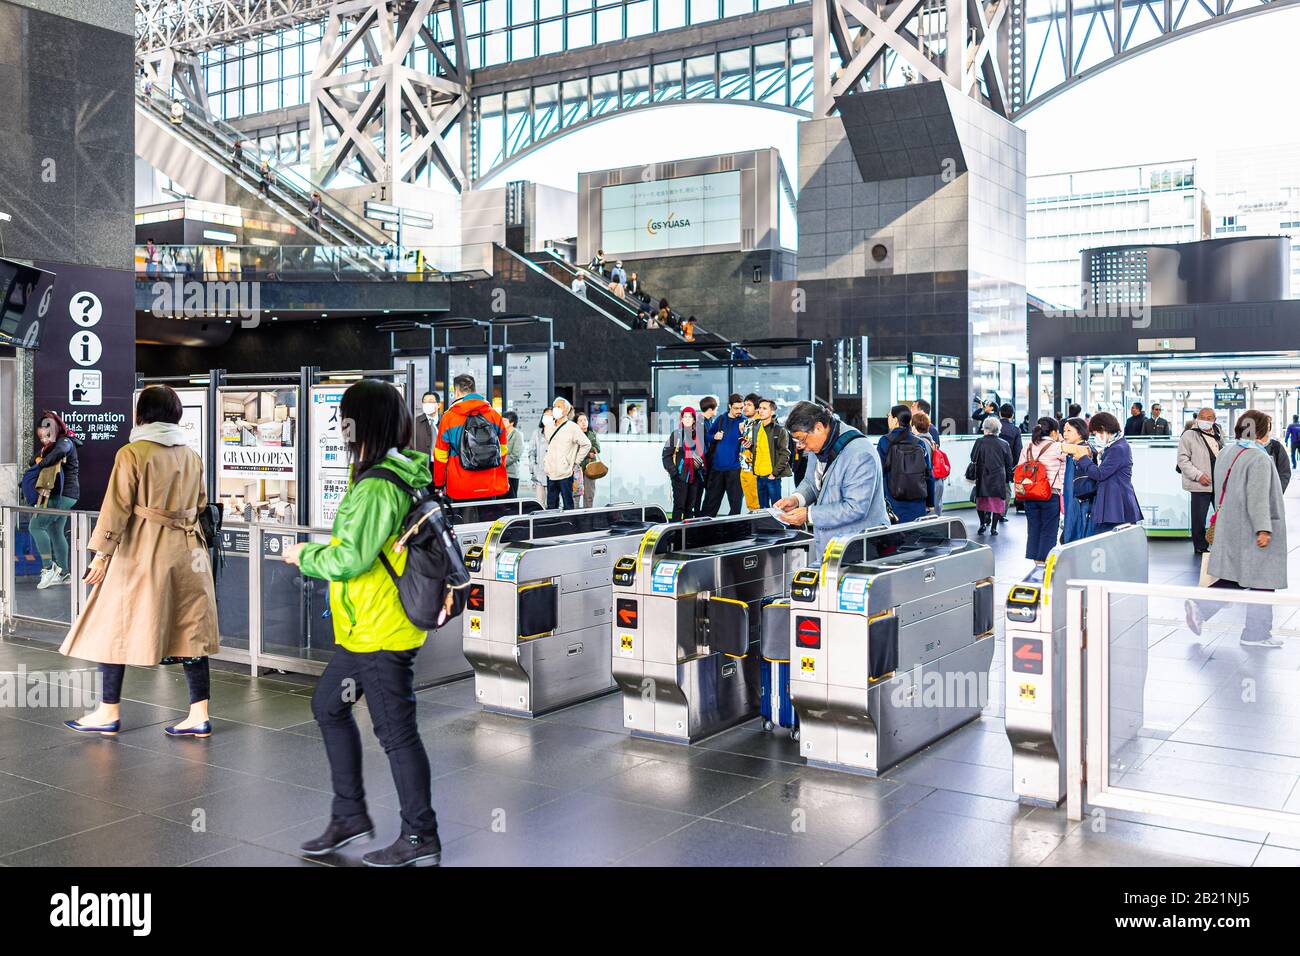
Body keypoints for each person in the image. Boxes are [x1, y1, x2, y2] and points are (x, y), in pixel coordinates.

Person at [283, 380, 446, 866]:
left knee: (395, 733)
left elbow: (352, 557)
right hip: (368, 628)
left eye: (346, 418)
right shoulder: (396, 472)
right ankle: (350, 814)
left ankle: (420, 835)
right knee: (329, 706)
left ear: (364, 425)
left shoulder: (376, 486)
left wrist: (304, 555)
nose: (340, 426)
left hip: (380, 630)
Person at [59, 385, 219, 738]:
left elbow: (116, 507)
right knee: (191, 630)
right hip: (190, 551)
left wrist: (102, 555)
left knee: (113, 623)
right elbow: (203, 503)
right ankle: (198, 715)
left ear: (141, 413)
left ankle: (108, 711)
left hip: (143, 551)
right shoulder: (191, 455)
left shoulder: (133, 453)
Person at [1185, 409, 1287, 649]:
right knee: (1262, 578)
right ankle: (1256, 633)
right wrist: (1264, 528)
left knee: (1236, 575)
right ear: (1261, 431)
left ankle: (1200, 607)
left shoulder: (1228, 451)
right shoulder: (1259, 458)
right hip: (1254, 526)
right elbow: (1258, 497)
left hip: (1231, 523)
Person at [772, 402, 889, 564]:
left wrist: (808, 514)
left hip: (859, 546)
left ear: (819, 427)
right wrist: (796, 499)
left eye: (802, 440)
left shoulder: (859, 453)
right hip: (832, 544)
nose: (801, 446)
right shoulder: (820, 444)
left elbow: (855, 508)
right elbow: (812, 483)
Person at [1061, 411, 1142, 533]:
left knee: (1108, 541)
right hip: (1114, 501)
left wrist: (1082, 458)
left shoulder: (1117, 449)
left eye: (1097, 433)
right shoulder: (1116, 445)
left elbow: (1100, 474)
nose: (1096, 436)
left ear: (1103, 429)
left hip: (1116, 503)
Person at [432, 374, 508, 501]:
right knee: (489, 520)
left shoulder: (449, 417)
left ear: (456, 392)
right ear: (474, 390)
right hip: (489, 485)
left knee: (462, 520)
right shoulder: (494, 415)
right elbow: (503, 450)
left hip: (459, 486)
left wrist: (439, 484)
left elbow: (440, 456)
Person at [28, 411, 81, 589]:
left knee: (35, 526)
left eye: (47, 435)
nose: (44, 440)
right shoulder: (51, 446)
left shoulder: (65, 442)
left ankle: (48, 568)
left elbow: (61, 451)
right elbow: (31, 460)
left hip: (61, 495)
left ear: (56, 429)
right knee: (56, 530)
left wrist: (40, 463)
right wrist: (40, 457)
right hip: (64, 495)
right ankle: (65, 573)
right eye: (41, 437)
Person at [1017, 416, 1066, 564]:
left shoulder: (1028, 445)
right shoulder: (1058, 447)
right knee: (1049, 529)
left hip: (1030, 494)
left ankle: (1036, 563)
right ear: (1054, 432)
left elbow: (1020, 465)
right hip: (1050, 494)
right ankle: (1044, 563)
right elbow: (1067, 466)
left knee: (1033, 528)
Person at [877, 404, 934, 523]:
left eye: (889, 416)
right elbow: (928, 473)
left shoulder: (885, 441)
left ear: (895, 420)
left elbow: (878, 474)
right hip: (918, 502)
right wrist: (930, 502)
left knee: (895, 538)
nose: (888, 418)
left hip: (893, 502)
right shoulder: (919, 442)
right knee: (916, 538)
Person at [1177, 408, 1222, 555]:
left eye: (1209, 417)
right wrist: (1198, 475)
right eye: (1202, 417)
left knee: (1222, 515)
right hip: (1199, 484)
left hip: (1218, 483)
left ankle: (1221, 543)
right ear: (1197, 418)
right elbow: (1183, 460)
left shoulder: (1218, 433)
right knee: (1199, 518)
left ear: (1214, 419)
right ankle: (1200, 546)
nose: (1205, 420)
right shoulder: (1189, 435)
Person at [701, 393, 746, 517]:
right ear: (729, 406)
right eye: (736, 408)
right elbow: (708, 436)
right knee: (710, 504)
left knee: (736, 505)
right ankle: (702, 531)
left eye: (741, 408)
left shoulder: (744, 422)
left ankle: (733, 533)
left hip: (735, 470)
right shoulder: (721, 419)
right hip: (717, 469)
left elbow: (750, 445)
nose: (739, 411)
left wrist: (744, 433)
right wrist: (714, 436)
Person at [542, 398, 591, 510]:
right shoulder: (549, 426)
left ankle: (570, 526)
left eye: (559, 407)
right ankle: (552, 525)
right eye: (555, 406)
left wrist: (576, 462)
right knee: (551, 505)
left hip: (565, 473)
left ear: (566, 410)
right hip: (551, 472)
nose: (556, 409)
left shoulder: (572, 427)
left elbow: (586, 444)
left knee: (568, 504)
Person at [971, 415, 1014, 535]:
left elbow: (972, 457)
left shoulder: (979, 441)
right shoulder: (1004, 443)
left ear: (985, 428)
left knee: (981, 502)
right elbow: (1009, 462)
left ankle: (982, 524)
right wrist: (1009, 478)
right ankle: (994, 528)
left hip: (982, 475)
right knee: (997, 504)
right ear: (998, 429)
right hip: (998, 478)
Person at [663, 407, 708, 520]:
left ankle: (688, 534)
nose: (687, 419)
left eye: (690, 416)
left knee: (690, 508)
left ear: (694, 420)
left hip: (695, 477)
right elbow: (666, 456)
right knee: (679, 507)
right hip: (680, 477)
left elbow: (703, 454)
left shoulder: (699, 435)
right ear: (681, 419)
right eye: (685, 416)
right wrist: (674, 474)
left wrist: (701, 466)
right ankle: (675, 534)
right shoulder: (676, 435)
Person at [751, 398, 792, 509]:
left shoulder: (779, 430)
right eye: (759, 408)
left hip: (772, 477)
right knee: (762, 509)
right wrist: (749, 446)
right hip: (759, 476)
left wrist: (774, 474)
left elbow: (785, 454)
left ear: (772, 412)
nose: (760, 411)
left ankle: (779, 527)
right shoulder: (755, 428)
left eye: (764, 408)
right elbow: (758, 449)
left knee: (777, 509)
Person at [1060, 417, 1095, 543]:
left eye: (1069, 430)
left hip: (1079, 499)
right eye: (1064, 430)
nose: (1065, 434)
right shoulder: (1075, 448)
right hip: (1075, 497)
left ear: (1080, 432)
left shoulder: (1082, 449)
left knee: (1077, 531)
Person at [911, 411, 944, 515]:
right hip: (937, 482)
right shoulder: (930, 439)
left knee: (929, 518)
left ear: (914, 427)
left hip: (930, 484)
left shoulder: (921, 443)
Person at [738, 393, 763, 510]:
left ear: (757, 408)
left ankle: (759, 527)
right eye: (744, 404)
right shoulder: (746, 423)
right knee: (750, 504)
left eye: (749, 405)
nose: (745, 407)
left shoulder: (761, 423)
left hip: (754, 469)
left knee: (757, 504)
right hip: (744, 467)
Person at [576, 411, 601, 508]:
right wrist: (587, 454)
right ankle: (575, 516)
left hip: (590, 468)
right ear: (576, 423)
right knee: (575, 496)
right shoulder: (574, 434)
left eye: (585, 420)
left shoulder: (592, 434)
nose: (583, 422)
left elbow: (597, 448)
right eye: (580, 420)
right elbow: (574, 449)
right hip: (576, 468)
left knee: (589, 495)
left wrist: (586, 451)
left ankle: (588, 516)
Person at [503, 410, 524, 499]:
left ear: (512, 423)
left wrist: (501, 462)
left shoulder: (517, 435)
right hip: (501, 474)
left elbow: (515, 455)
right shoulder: (501, 433)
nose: (502, 422)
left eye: (505, 420)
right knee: (501, 500)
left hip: (511, 473)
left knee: (511, 499)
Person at [413, 391, 440, 456]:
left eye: (430, 402)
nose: (427, 404)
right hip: (422, 464)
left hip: (442, 464)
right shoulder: (414, 423)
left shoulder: (446, 422)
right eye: (424, 402)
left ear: (438, 405)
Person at [530, 413, 549, 502]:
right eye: (545, 416)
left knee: (552, 504)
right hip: (539, 473)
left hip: (553, 474)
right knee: (540, 502)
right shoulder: (537, 433)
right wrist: (533, 468)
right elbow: (532, 452)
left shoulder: (558, 432)